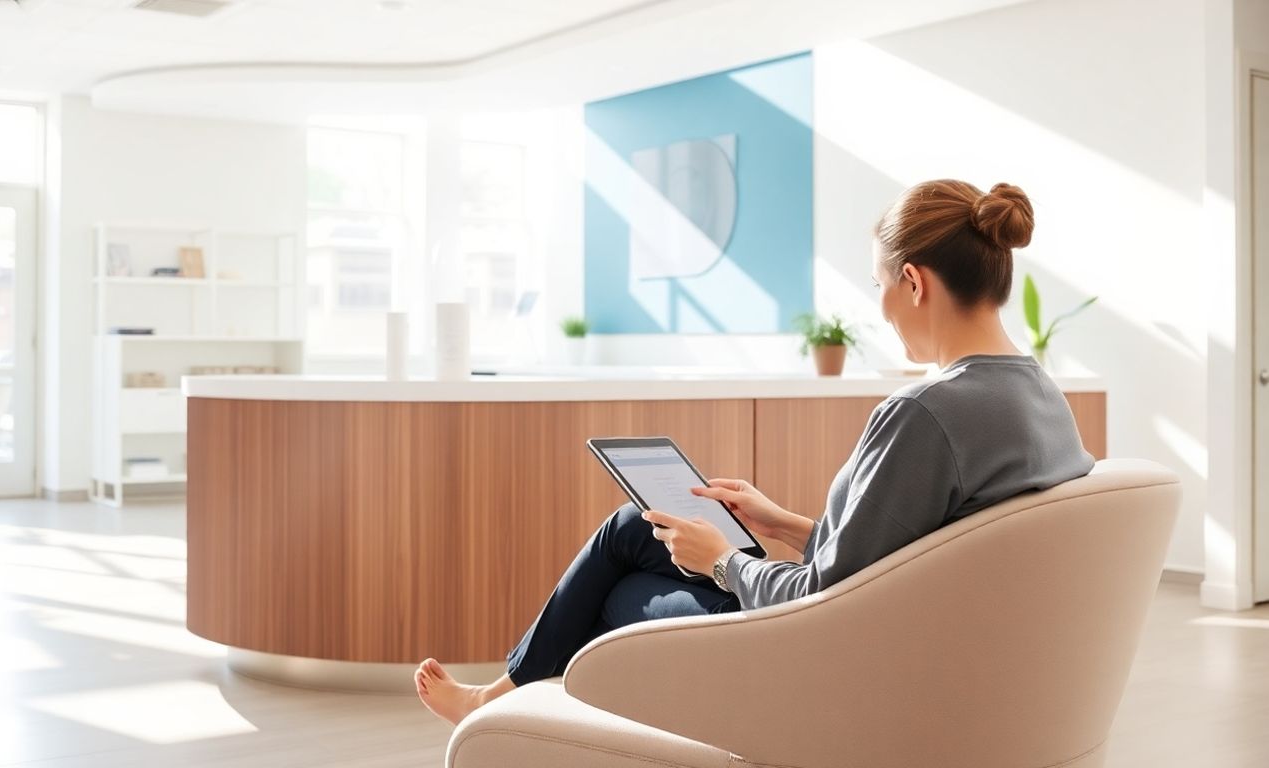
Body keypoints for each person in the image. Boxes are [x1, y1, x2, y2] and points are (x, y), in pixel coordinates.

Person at [414, 179, 1096, 725]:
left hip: (827, 658)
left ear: (913, 283)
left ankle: (507, 711)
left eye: (879, 285)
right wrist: (781, 524)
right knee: (634, 527)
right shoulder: (1039, 395)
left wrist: (725, 560)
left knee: (621, 585)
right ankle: (507, 702)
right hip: (928, 643)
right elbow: (902, 556)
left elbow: (827, 597)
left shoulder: (925, 414)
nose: (882, 306)